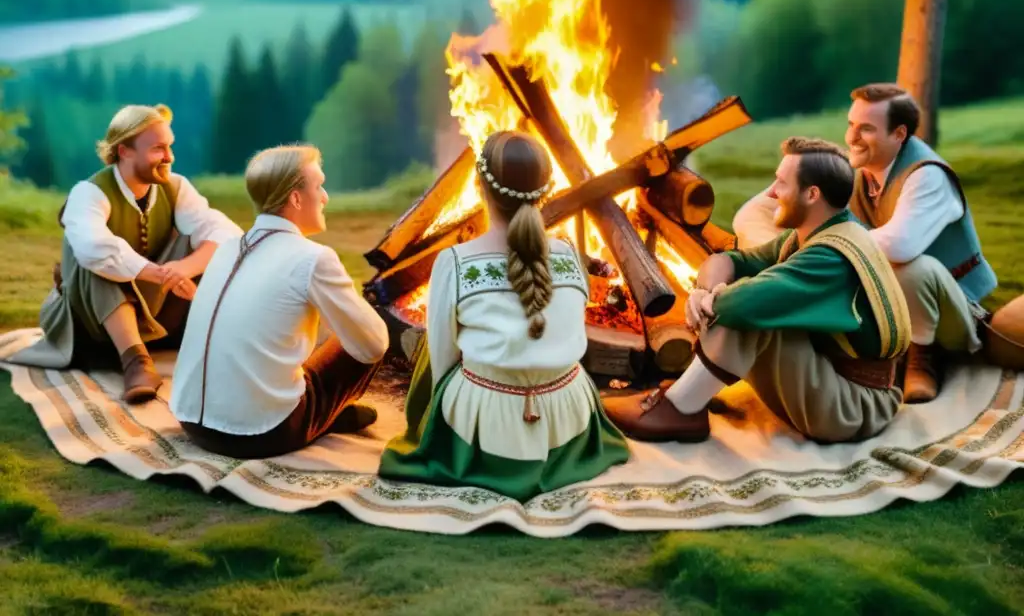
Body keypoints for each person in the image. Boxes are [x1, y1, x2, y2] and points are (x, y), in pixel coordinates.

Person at [604, 138, 913, 444]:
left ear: (812, 194)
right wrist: (703, 291)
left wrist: (712, 301)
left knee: (747, 310)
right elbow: (731, 260)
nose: (772, 192)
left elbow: (745, 303)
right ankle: (686, 399)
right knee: (738, 300)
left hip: (855, 406)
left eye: (781, 182)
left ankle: (682, 410)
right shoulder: (815, 233)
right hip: (834, 376)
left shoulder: (831, 257)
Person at [378, 130, 630, 503]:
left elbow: (445, 361)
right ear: (545, 194)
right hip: (569, 417)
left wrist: (434, 414)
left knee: (434, 347)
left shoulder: (455, 262)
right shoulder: (570, 254)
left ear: (480, 189)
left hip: (488, 425)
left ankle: (453, 442)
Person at [732, 84, 996, 403]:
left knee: (911, 268)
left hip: (952, 308)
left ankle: (922, 360)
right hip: (886, 296)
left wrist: (816, 246)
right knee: (796, 242)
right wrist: (787, 247)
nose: (851, 138)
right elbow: (757, 210)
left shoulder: (927, 176)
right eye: (851, 125)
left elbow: (900, 244)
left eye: (866, 129)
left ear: (899, 134)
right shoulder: (857, 168)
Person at [169, 145, 390, 460]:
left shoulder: (226, 249)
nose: (325, 196)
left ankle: (321, 414)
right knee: (369, 334)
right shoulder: (313, 258)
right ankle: (317, 417)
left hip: (192, 421)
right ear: (296, 198)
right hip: (262, 433)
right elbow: (373, 345)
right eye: (319, 186)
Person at [11, 104, 242, 403]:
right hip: (88, 324)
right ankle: (136, 363)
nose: (169, 157)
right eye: (158, 149)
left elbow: (223, 233)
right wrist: (159, 274)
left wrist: (184, 268)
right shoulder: (89, 193)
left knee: (198, 239)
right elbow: (95, 249)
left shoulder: (176, 187)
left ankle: (216, 340)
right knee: (92, 254)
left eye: (169, 147)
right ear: (124, 152)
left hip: (155, 311)